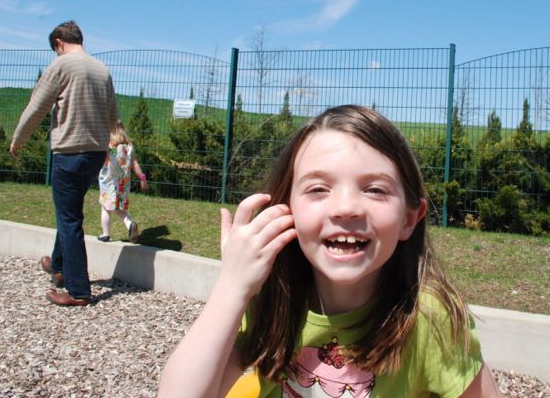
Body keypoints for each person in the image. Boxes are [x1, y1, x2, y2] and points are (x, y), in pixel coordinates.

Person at [158, 105, 504, 397]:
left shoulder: (428, 316)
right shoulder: (271, 296)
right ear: (286, 210)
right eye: (318, 189)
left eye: (375, 189)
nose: (345, 208)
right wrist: (232, 286)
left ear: (409, 219)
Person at [10, 20, 118, 307]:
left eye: (55, 49)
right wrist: (107, 145)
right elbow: (112, 113)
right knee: (68, 213)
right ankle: (58, 266)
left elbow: (37, 106)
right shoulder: (102, 69)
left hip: (69, 152)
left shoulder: (61, 65)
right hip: (95, 153)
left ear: (59, 42)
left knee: (70, 220)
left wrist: (18, 139)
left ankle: (78, 290)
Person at [97, 120, 148, 243]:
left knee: (105, 208)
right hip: (123, 184)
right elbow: (134, 163)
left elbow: (100, 160)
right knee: (120, 208)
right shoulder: (128, 145)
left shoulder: (108, 144)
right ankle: (130, 224)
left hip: (108, 183)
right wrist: (142, 177)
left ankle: (105, 234)